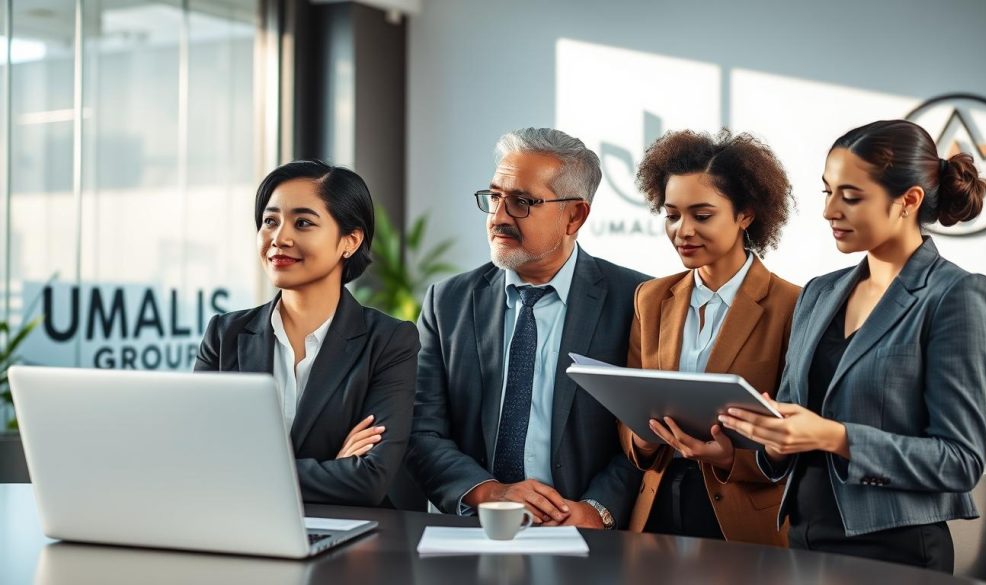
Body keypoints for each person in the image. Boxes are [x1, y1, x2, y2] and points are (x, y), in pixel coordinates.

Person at [720, 120, 986, 572]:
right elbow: (799, 423)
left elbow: (959, 461)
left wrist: (835, 437)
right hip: (802, 539)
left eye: (850, 197)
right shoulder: (818, 293)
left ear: (908, 201)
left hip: (896, 553)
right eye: (826, 192)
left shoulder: (956, 296)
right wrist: (774, 438)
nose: (830, 211)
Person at [406, 128, 649, 529]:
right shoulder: (447, 301)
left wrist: (597, 510)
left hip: (588, 538)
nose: (499, 216)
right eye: (495, 197)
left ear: (575, 216)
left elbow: (646, 435)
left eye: (521, 202)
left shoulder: (637, 301)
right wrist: (489, 492)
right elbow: (421, 428)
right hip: (473, 530)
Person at [195, 160, 419, 507]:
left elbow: (367, 480)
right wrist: (333, 467)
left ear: (350, 240)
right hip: (241, 528)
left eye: (303, 223)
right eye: (270, 221)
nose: (279, 238)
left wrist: (247, 473)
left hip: (351, 541)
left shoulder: (389, 342)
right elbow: (201, 464)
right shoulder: (225, 336)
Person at [618, 130, 799, 545]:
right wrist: (642, 438)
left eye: (702, 216)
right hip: (656, 509)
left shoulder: (793, 305)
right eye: (672, 215)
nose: (683, 230)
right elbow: (629, 412)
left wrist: (732, 457)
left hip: (742, 517)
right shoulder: (651, 297)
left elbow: (799, 429)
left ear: (746, 215)